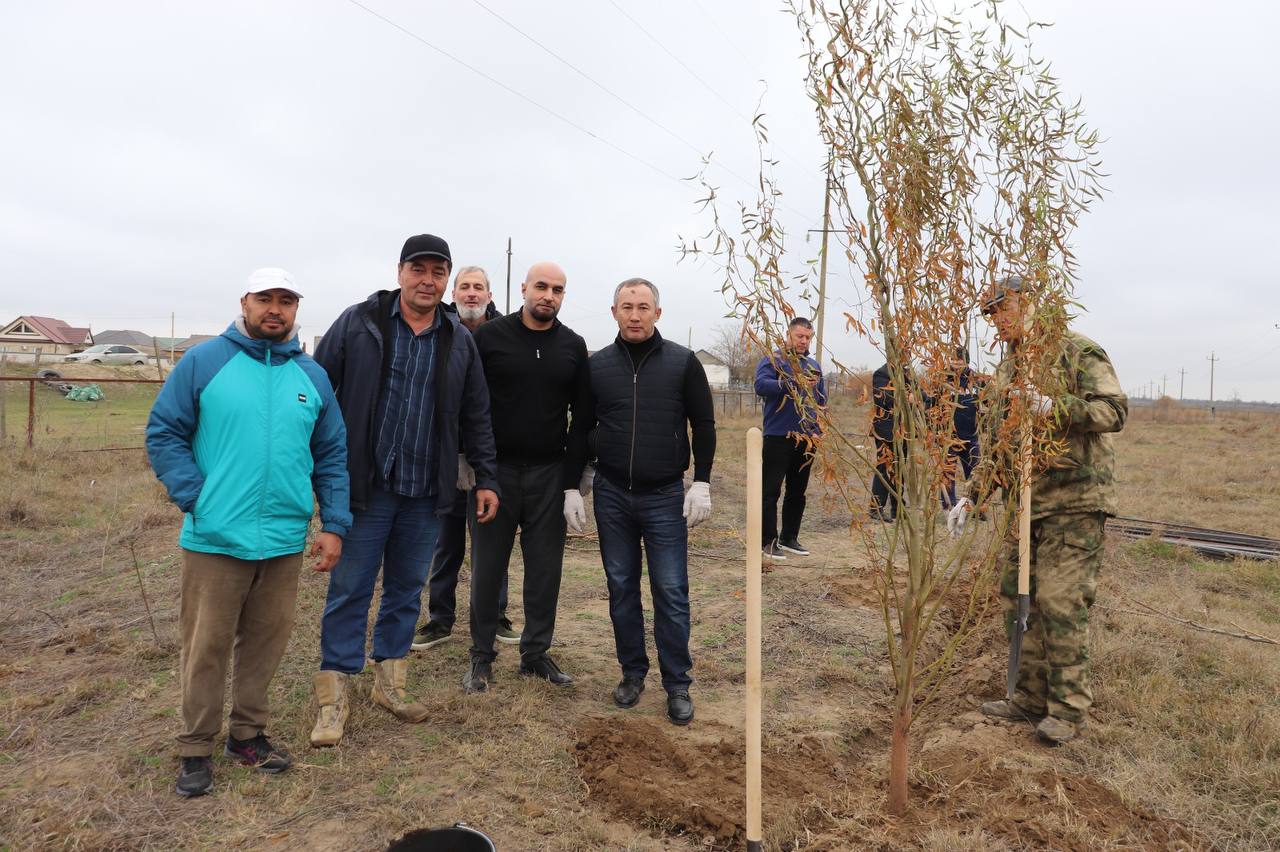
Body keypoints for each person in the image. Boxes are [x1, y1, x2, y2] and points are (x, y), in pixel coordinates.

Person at [146, 267, 351, 797]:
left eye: (285, 300)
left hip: (283, 540)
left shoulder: (311, 376)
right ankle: (195, 746)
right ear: (245, 301)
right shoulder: (205, 362)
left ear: (296, 309)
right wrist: (197, 497)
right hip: (216, 538)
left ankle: (248, 735)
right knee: (206, 645)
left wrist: (334, 524)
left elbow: (330, 455)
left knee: (265, 643)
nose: (274, 309)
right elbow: (164, 431)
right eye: (265, 299)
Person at [310, 235, 499, 747]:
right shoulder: (360, 323)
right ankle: (334, 697)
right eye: (419, 269)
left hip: (424, 489)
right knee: (350, 589)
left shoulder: (457, 339)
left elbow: (476, 413)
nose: (428, 280)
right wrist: (316, 472)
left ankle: (390, 686)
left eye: (439, 272)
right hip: (365, 489)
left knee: (404, 591)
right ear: (400, 272)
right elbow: (320, 395)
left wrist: (485, 477)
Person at [951, 275, 1127, 745]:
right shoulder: (1008, 369)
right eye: (990, 315)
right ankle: (1027, 697)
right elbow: (1000, 442)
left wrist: (1055, 406)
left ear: (1026, 305)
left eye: (1002, 310)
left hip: (1075, 501)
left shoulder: (1076, 351)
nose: (996, 321)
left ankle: (1067, 710)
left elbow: (1114, 411)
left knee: (1060, 602)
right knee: (1017, 597)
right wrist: (974, 493)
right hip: (1025, 507)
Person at [586, 278, 716, 725]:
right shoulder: (598, 366)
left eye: (643, 307)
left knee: (671, 590)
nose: (635, 314)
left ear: (658, 313)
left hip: (663, 496)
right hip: (612, 495)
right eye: (627, 306)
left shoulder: (682, 363)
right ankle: (632, 672)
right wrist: (575, 481)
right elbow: (583, 424)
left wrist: (701, 481)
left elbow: (704, 424)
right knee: (621, 586)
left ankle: (677, 683)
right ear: (614, 312)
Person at [462, 261, 592, 694]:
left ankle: (535, 653)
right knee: (487, 566)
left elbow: (583, 419)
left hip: (549, 475)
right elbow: (470, 404)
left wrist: (575, 481)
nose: (548, 296)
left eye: (557, 289)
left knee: (545, 570)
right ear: (523, 289)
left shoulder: (573, 346)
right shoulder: (489, 338)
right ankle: (481, 656)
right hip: (494, 475)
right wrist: (475, 468)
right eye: (541, 286)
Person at [411, 265, 518, 651]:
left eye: (479, 288)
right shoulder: (438, 330)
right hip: (444, 458)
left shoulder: (507, 334)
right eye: (465, 287)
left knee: (492, 543)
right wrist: (454, 453)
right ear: (452, 294)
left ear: (490, 295)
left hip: (492, 459)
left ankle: (496, 615)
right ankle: (440, 618)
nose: (471, 294)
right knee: (446, 543)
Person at [754, 317, 826, 560]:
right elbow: (761, 385)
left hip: (807, 438)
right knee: (770, 490)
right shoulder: (774, 360)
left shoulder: (814, 366)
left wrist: (818, 428)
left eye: (808, 338)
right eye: (800, 336)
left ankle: (789, 537)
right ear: (789, 335)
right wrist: (791, 382)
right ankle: (767, 540)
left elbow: (821, 400)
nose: (804, 341)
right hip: (778, 435)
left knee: (798, 491)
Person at [942, 347, 982, 509]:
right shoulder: (943, 380)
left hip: (971, 435)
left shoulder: (976, 380)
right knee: (948, 473)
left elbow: (985, 403)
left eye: (959, 359)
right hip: (949, 436)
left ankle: (975, 506)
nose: (956, 362)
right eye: (953, 359)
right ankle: (948, 506)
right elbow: (932, 403)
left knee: (975, 474)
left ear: (967, 360)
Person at [869, 362, 898, 522]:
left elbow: (919, 394)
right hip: (885, 430)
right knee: (884, 467)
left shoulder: (908, 374)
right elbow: (883, 399)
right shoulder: (881, 374)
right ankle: (876, 509)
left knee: (899, 468)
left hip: (903, 430)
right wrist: (905, 397)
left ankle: (897, 509)